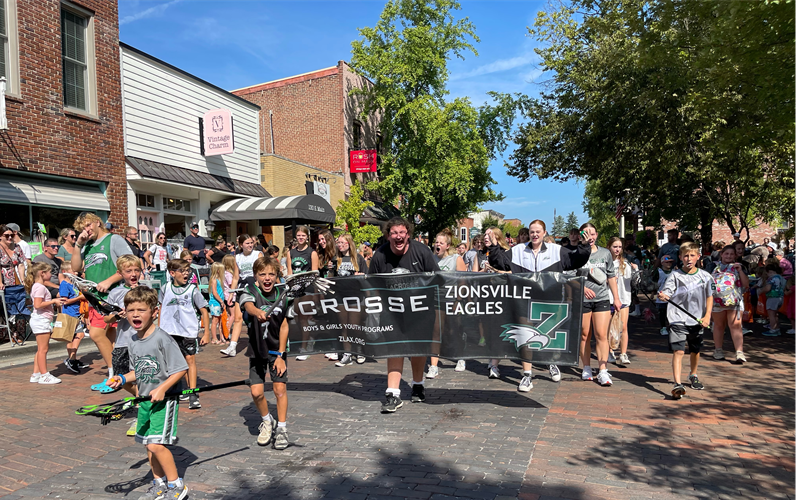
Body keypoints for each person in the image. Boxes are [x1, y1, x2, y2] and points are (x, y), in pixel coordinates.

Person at [485, 220, 591, 388]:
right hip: (524, 301)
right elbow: (500, 263)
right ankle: (527, 374)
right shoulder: (519, 250)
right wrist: (493, 247)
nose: (534, 234)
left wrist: (584, 246)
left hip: (550, 302)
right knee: (527, 337)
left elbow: (576, 260)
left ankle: (551, 363)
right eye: (532, 231)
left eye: (538, 231)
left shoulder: (556, 250)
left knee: (548, 336)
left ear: (544, 232)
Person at [106, 286, 189, 500]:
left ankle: (177, 485)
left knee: (155, 444)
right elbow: (139, 370)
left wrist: (162, 388)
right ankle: (158, 482)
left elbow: (180, 369)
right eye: (131, 309)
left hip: (165, 400)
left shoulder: (162, 338)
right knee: (147, 444)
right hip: (144, 399)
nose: (135, 314)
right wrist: (123, 378)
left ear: (154, 312)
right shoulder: (132, 341)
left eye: (141, 310)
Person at [368, 216, 438, 413]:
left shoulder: (422, 251)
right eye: (394, 233)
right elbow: (371, 284)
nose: (398, 237)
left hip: (420, 311)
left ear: (408, 234)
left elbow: (437, 279)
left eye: (402, 233)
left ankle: (418, 384)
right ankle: (393, 394)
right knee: (395, 349)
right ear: (388, 236)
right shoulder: (380, 255)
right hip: (392, 312)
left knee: (417, 350)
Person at [71, 213, 133, 387]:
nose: (86, 230)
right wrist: (78, 245)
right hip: (95, 298)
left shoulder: (114, 240)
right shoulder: (87, 245)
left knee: (96, 334)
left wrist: (109, 280)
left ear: (98, 222)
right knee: (110, 335)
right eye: (83, 228)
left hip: (113, 296)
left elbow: (131, 264)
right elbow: (76, 267)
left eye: (88, 225)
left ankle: (115, 373)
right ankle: (121, 372)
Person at [239, 257, 291, 450]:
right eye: (262, 274)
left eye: (271, 274)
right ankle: (267, 421)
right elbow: (248, 305)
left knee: (279, 390)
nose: (267, 278)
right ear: (255, 276)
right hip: (256, 349)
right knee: (256, 392)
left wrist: (281, 355)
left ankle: (283, 429)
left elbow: (285, 325)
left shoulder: (284, 295)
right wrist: (256, 312)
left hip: (277, 350)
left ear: (277, 276)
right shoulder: (249, 291)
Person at [658, 242, 714, 399]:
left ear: (698, 256)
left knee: (695, 349)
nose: (689, 259)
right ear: (681, 258)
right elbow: (666, 293)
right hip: (677, 319)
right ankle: (677, 383)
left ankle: (693, 374)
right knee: (679, 350)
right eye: (685, 256)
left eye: (692, 255)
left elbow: (710, 297)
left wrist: (707, 316)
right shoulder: (675, 276)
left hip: (697, 319)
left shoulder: (705, 277)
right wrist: (663, 295)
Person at [158, 259, 210, 410]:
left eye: (188, 271)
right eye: (183, 271)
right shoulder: (165, 288)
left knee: (190, 360)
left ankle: (193, 393)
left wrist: (206, 332)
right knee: (172, 362)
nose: (186, 273)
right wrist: (160, 328)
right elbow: (162, 308)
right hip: (169, 331)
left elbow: (204, 311)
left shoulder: (193, 290)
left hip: (187, 331)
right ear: (172, 273)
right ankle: (178, 387)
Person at [577, 223, 622, 386]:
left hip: (602, 298)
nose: (589, 237)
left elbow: (611, 276)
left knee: (601, 335)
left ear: (596, 235)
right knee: (584, 335)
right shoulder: (576, 253)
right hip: (582, 300)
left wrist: (616, 298)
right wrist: (582, 288)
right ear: (581, 234)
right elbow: (569, 276)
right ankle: (586, 367)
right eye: (586, 233)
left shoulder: (605, 253)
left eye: (592, 233)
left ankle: (603, 370)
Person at [428, 229, 468, 377]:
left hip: (453, 299)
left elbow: (464, 280)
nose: (437, 245)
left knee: (454, 330)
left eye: (441, 243)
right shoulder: (431, 259)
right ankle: (433, 365)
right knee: (436, 331)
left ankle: (460, 357)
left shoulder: (455, 258)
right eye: (436, 242)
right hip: (437, 299)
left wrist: (459, 299)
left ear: (447, 245)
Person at [332, 233, 369, 367]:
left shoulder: (358, 259)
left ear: (349, 244)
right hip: (341, 297)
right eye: (338, 243)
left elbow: (367, 276)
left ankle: (359, 350)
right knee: (344, 326)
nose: (340, 245)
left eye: (342, 243)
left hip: (356, 296)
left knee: (354, 325)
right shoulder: (336, 259)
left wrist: (361, 275)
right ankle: (347, 354)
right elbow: (331, 277)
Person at [26, 262, 64, 385]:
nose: (51, 275)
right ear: (42, 273)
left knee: (40, 349)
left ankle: (36, 374)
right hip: (41, 320)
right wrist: (53, 300)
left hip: (41, 319)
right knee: (43, 349)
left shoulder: (37, 286)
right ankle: (44, 375)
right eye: (49, 273)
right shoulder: (40, 287)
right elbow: (37, 304)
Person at [710, 245, 748, 363]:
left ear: (735, 255)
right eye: (726, 254)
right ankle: (718, 350)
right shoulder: (713, 266)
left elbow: (746, 284)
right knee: (719, 325)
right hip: (717, 301)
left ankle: (739, 352)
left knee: (736, 325)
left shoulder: (739, 267)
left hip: (734, 301)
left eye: (732, 254)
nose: (729, 256)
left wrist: (740, 271)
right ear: (721, 254)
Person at [607, 237, 636, 365]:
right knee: (609, 327)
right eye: (615, 246)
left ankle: (623, 353)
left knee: (623, 327)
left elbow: (633, 281)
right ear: (609, 247)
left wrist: (636, 270)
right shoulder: (606, 263)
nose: (617, 249)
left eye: (619, 247)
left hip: (623, 298)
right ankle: (610, 350)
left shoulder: (626, 264)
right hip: (608, 298)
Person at [0, 224, 29, 342]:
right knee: (5, 307)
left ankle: (16, 334)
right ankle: (6, 334)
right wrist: (0, 282)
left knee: (18, 305)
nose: (10, 238)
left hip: (16, 280)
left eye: (11, 235)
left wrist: (23, 280)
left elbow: (21, 264)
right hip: (4, 280)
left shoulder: (17, 247)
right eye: (6, 236)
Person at [59, 260, 87, 374]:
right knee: (76, 336)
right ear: (65, 272)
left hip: (76, 313)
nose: (76, 273)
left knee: (77, 335)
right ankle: (71, 358)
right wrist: (79, 298)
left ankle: (73, 358)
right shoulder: (64, 285)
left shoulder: (74, 284)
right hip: (69, 314)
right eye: (73, 271)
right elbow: (64, 301)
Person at [219, 254, 244, 357]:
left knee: (230, 316)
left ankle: (226, 333)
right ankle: (226, 333)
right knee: (233, 316)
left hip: (227, 295)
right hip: (232, 296)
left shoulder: (224, 273)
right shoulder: (229, 274)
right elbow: (231, 284)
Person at [760, 262, 785, 336]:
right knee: (775, 314)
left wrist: (761, 291)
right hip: (780, 297)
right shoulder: (781, 278)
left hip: (773, 297)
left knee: (771, 314)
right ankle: (776, 328)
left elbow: (768, 288)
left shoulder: (772, 278)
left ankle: (773, 329)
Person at [653, 256, 675, 336]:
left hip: (671, 297)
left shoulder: (674, 272)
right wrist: (653, 293)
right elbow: (654, 283)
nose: (669, 264)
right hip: (661, 296)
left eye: (670, 262)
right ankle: (663, 327)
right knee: (662, 313)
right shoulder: (658, 271)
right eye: (667, 262)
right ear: (662, 263)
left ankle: (671, 327)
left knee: (671, 313)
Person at [208, 262, 227, 345]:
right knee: (215, 321)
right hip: (215, 303)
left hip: (218, 303)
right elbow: (215, 293)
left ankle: (221, 337)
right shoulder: (214, 280)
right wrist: (221, 301)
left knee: (219, 321)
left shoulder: (218, 280)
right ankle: (214, 338)